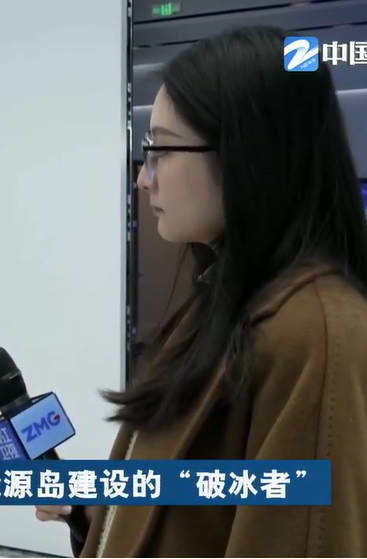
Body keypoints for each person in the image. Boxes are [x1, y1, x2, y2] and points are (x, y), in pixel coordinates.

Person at [36, 25, 367, 558]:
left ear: (248, 154)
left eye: (161, 150)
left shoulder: (313, 334)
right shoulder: (227, 299)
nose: (144, 178)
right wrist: (104, 513)